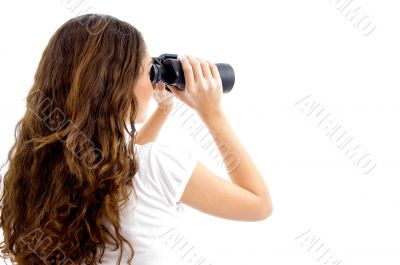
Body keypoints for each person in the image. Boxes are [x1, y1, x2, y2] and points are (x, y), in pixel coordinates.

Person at [0, 13, 272, 265]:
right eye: (147, 70)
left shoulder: (36, 171)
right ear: (119, 84)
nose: (151, 80)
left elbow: (121, 167)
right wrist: (212, 113)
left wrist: (163, 110)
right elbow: (259, 204)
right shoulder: (160, 165)